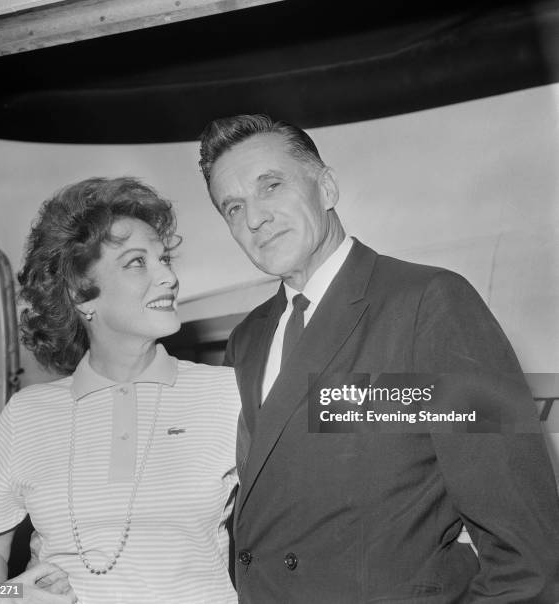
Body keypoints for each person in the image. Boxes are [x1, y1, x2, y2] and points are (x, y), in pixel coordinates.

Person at [199, 114, 559, 603]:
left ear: (326, 188)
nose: (255, 219)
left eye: (271, 186)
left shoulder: (429, 304)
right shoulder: (247, 339)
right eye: (233, 208)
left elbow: (525, 551)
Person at [0, 177, 240, 604]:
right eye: (137, 263)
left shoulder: (229, 393)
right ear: (80, 294)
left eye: (165, 260)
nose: (168, 277)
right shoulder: (27, 415)